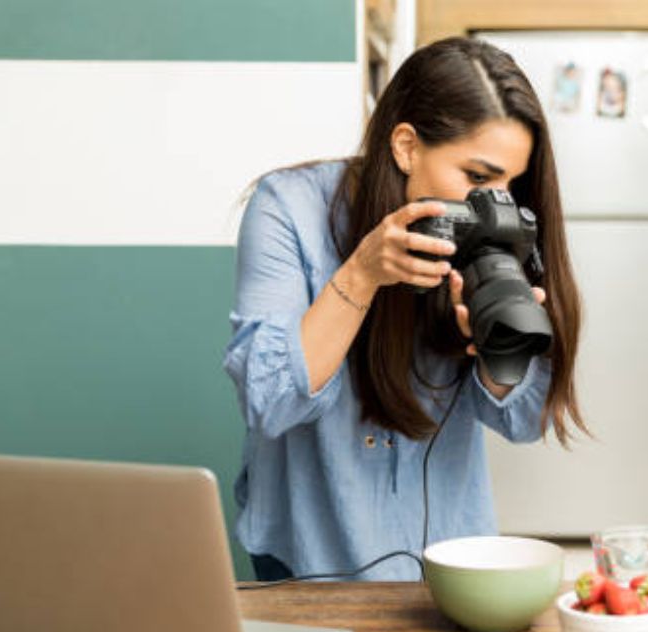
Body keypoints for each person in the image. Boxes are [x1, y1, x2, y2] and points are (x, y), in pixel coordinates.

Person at [223, 37, 585, 582]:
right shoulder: (289, 209)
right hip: (306, 553)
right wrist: (361, 273)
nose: (497, 203)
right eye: (478, 179)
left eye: (512, 184)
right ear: (407, 147)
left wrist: (493, 347)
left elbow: (524, 419)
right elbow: (269, 401)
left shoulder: (503, 232)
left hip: (446, 553)